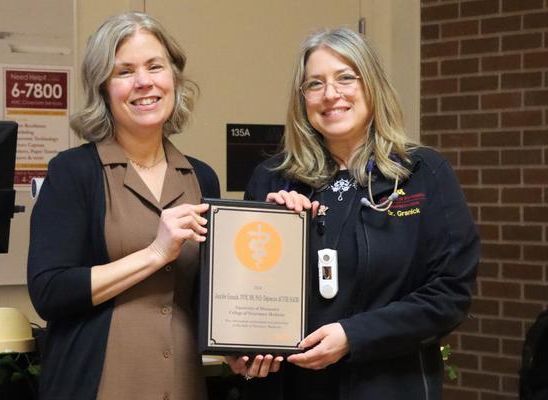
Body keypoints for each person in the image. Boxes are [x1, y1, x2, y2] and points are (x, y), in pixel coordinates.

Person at [227, 28, 479, 400]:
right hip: (291, 388)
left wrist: (353, 335)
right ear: (302, 99)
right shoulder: (272, 180)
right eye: (315, 84)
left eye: (346, 77)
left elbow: (450, 293)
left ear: (372, 86)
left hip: (389, 386)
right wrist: (241, 346)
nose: (331, 95)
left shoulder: (424, 173)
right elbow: (243, 293)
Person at [27, 12, 219, 400]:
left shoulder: (201, 178)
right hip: (97, 385)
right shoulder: (74, 172)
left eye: (154, 66)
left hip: (182, 385)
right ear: (103, 87)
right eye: (124, 72)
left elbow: (212, 299)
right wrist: (155, 253)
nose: (144, 82)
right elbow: (49, 291)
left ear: (174, 78)